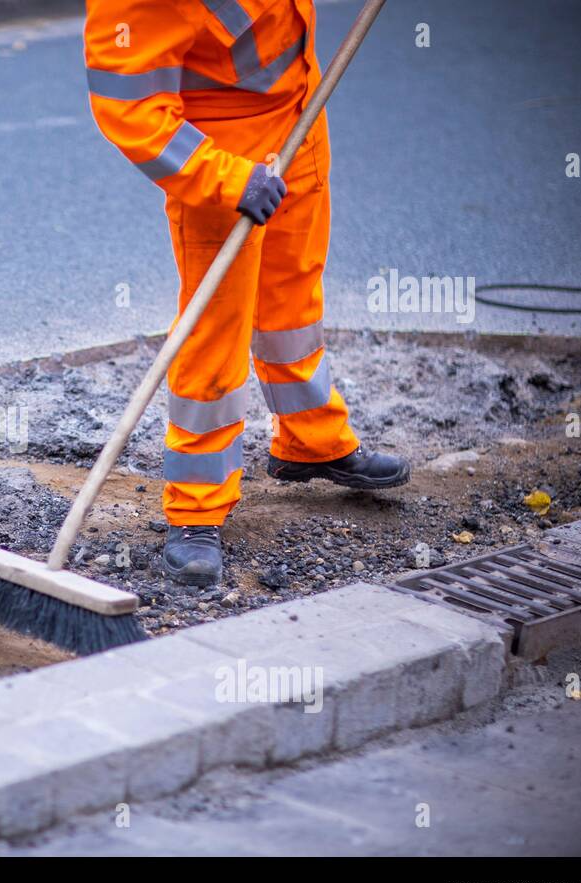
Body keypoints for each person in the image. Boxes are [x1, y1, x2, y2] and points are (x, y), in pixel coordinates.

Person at [83, 0, 410, 586]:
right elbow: (129, 109)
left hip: (300, 119)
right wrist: (229, 179)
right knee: (216, 329)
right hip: (221, 160)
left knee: (293, 307)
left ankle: (312, 442)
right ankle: (195, 509)